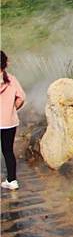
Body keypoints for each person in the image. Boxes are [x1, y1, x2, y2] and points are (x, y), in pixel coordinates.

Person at [0, 51, 25, 190]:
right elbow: (21, 97)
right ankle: (12, 180)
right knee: (8, 151)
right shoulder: (11, 79)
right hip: (9, 122)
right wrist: (13, 108)